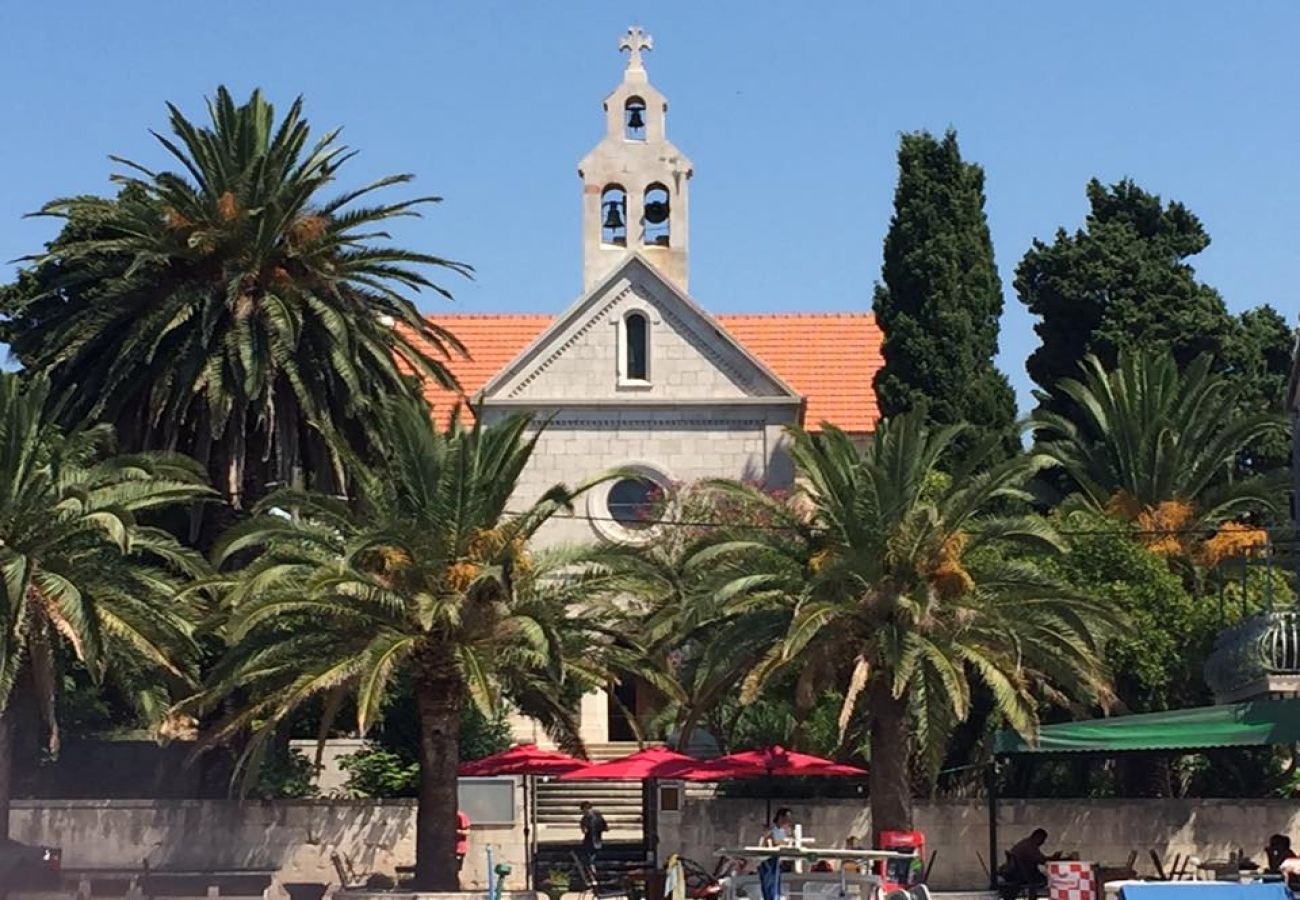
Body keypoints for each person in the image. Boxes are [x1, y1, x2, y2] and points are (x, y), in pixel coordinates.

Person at [758, 809, 794, 900]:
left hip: (779, 864)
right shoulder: (772, 831)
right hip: (769, 863)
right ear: (780, 818)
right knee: (770, 889)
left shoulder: (784, 832)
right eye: (787, 818)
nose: (788, 821)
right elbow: (773, 843)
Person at [579, 801, 608, 874]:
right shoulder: (597, 815)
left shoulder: (588, 817)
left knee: (590, 852)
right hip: (594, 838)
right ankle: (591, 866)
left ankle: (591, 866)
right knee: (592, 852)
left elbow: (584, 829)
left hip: (592, 837)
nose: (583, 812)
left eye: (583, 810)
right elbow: (605, 827)